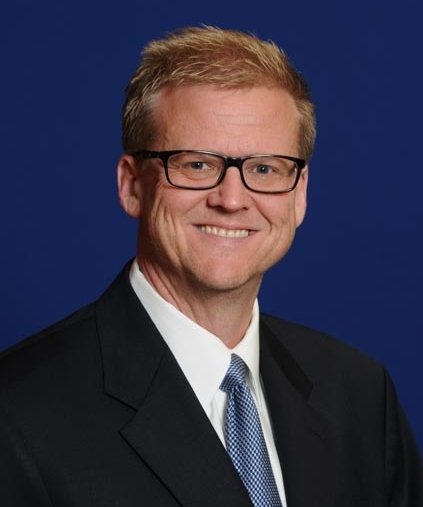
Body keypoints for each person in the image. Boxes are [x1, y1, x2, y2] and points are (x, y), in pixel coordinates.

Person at [0, 26, 421, 507]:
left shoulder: (360, 395)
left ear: (299, 195)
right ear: (132, 185)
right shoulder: (17, 414)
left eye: (264, 168)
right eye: (197, 164)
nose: (232, 199)